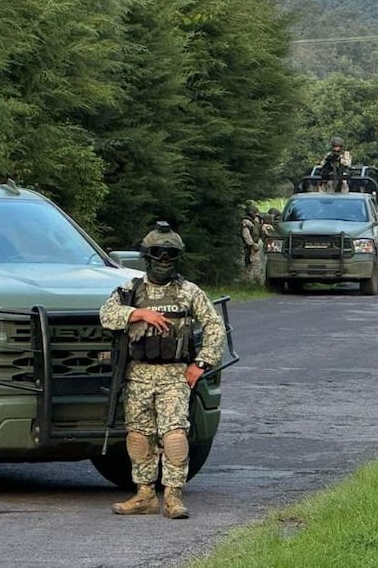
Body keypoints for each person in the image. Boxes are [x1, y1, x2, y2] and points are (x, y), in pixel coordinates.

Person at [99, 222, 225, 520]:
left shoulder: (189, 292)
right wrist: (138, 313)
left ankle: (172, 497)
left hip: (174, 377)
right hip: (138, 375)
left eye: (169, 254)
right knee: (139, 437)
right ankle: (145, 495)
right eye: (158, 253)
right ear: (147, 256)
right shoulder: (131, 290)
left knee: (174, 437)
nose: (163, 260)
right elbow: (106, 314)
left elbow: (215, 328)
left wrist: (201, 365)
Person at [240, 204, 261, 279]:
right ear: (251, 212)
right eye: (255, 213)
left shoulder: (254, 222)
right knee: (248, 263)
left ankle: (253, 279)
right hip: (248, 247)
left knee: (252, 264)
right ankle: (247, 280)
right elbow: (246, 234)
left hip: (252, 246)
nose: (256, 214)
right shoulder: (246, 222)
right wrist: (252, 244)